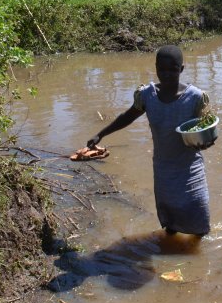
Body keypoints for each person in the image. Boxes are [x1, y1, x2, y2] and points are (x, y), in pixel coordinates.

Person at [87, 45, 213, 236]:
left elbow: (208, 130)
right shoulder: (147, 95)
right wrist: (101, 134)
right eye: (162, 69)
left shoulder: (195, 98)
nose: (167, 74)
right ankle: (170, 251)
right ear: (155, 68)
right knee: (171, 223)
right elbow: (127, 116)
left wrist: (206, 142)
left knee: (199, 221)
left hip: (190, 169)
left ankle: (198, 258)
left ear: (182, 69)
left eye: (173, 69)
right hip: (163, 169)